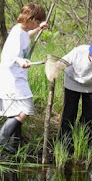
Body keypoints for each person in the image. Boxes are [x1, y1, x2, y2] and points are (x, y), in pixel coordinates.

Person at [0, 2, 48, 154]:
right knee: (27, 108)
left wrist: (38, 29)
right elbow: (7, 55)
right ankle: (2, 137)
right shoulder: (15, 32)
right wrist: (19, 60)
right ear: (30, 18)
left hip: (18, 76)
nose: (38, 24)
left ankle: (13, 146)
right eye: (38, 22)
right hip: (12, 77)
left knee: (16, 112)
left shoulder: (22, 30)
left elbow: (25, 37)